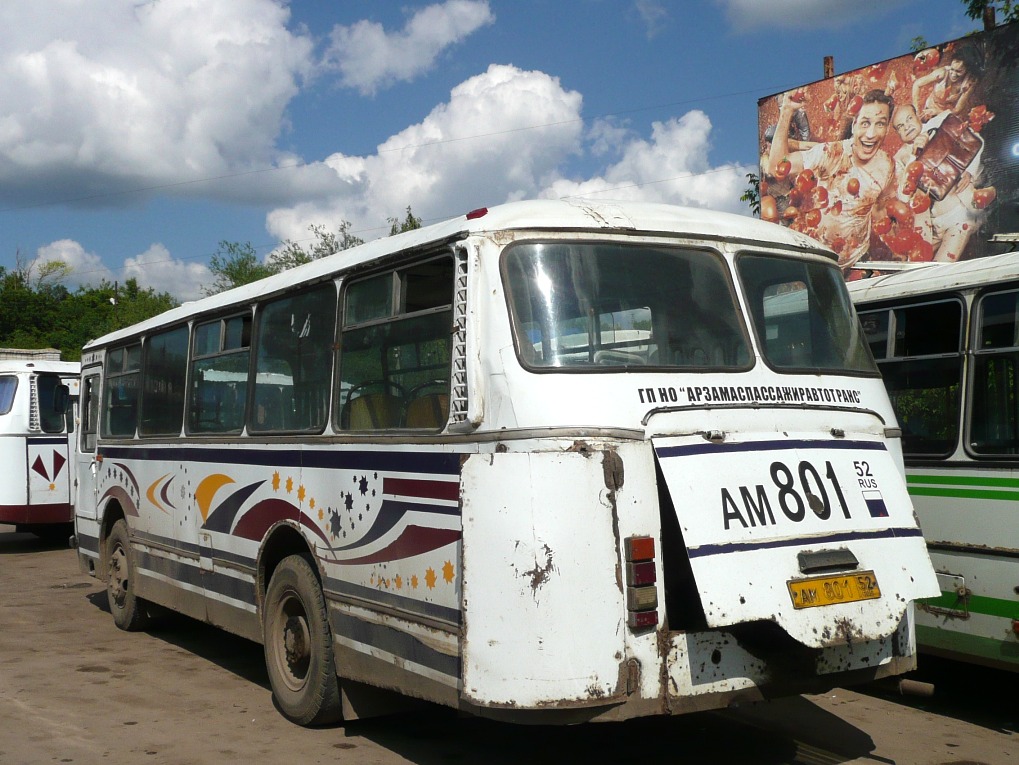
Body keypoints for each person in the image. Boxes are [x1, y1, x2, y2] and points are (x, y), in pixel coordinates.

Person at [768, 88, 896, 271]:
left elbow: (879, 206)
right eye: (865, 123)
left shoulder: (887, 164)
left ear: (888, 128)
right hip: (820, 263)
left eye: (880, 124)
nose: (871, 134)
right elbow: (776, 168)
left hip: (857, 261)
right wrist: (787, 110)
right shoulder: (831, 153)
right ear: (854, 126)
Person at [890, 103, 990, 262]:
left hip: (959, 217)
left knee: (941, 269)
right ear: (897, 133)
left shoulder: (939, 124)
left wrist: (969, 172)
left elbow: (977, 140)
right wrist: (914, 155)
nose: (907, 126)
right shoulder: (900, 157)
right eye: (901, 126)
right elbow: (903, 197)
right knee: (914, 269)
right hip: (931, 226)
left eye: (909, 119)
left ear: (918, 116)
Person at [912, 46, 981, 123]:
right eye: (952, 69)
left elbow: (957, 110)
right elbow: (917, 84)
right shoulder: (942, 73)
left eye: (959, 71)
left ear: (967, 70)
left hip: (949, 115)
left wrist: (937, 112)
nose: (953, 74)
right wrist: (916, 109)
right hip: (929, 109)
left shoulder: (969, 83)